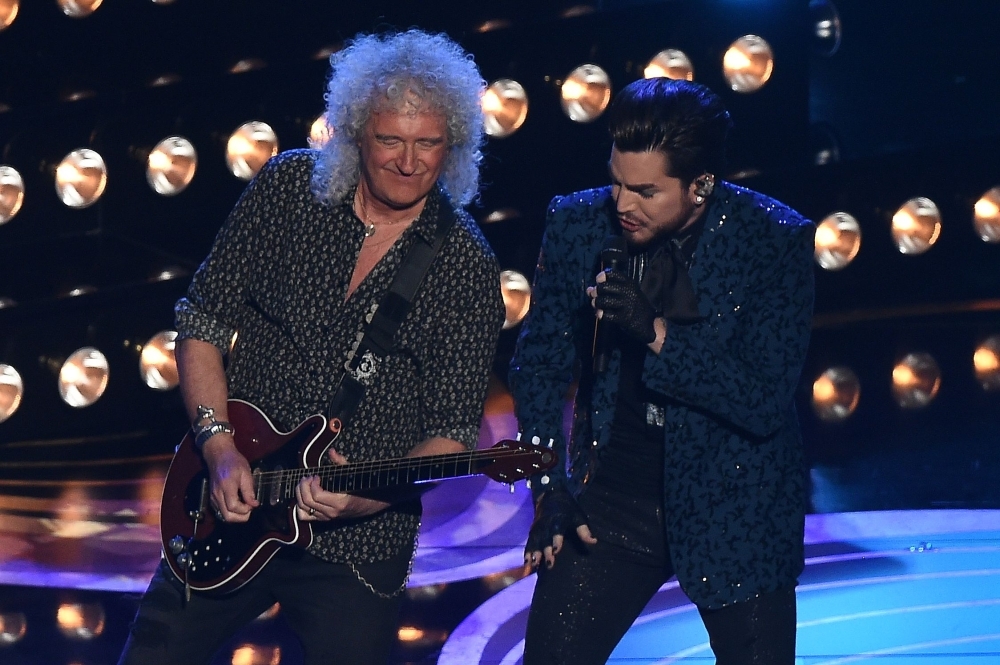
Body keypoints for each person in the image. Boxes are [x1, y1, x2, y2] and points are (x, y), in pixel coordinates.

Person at [118, 29, 505, 665]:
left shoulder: (464, 266)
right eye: (390, 140)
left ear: (453, 145)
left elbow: (452, 435)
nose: (409, 162)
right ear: (355, 132)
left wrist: (365, 496)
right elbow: (203, 321)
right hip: (226, 506)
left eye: (428, 143)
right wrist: (216, 449)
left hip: (355, 548)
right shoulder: (286, 189)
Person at [509, 77, 815, 665]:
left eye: (646, 191)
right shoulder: (578, 224)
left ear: (700, 186)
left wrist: (655, 333)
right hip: (614, 502)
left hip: (738, 504)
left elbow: (760, 399)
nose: (623, 204)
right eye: (617, 182)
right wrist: (549, 487)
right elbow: (540, 362)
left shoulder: (772, 241)